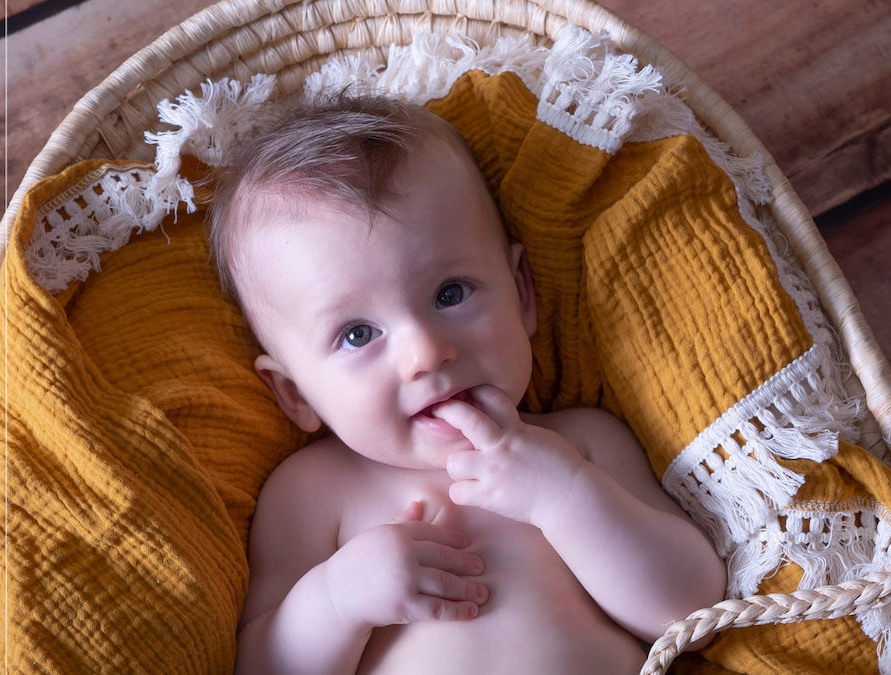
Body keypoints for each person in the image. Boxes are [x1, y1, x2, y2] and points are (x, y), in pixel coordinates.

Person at [207, 95, 726, 674]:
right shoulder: (311, 493)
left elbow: (695, 613)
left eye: (450, 294)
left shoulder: (581, 444)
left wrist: (565, 496)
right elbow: (264, 668)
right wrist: (336, 600)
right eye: (357, 334)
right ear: (296, 394)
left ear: (521, 292)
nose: (425, 352)